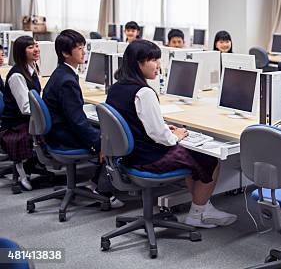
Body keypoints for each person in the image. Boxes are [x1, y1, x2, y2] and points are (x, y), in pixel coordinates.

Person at [106, 39, 237, 228]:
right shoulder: (144, 93)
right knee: (208, 159)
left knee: (192, 155)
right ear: (138, 63)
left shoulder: (116, 88)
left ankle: (201, 206)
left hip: (129, 156)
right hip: (148, 159)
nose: (159, 65)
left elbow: (137, 123)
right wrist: (177, 135)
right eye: (153, 60)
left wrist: (165, 128)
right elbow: (162, 138)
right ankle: (198, 213)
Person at [43, 29, 122, 207]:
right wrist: (100, 142)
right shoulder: (67, 80)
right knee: (113, 138)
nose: (84, 51)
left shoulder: (62, 73)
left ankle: (94, 182)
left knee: (105, 132)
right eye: (79, 48)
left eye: (83, 47)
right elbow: (77, 122)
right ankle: (103, 190)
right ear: (65, 53)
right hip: (63, 136)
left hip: (56, 131)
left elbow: (74, 116)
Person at [0, 36, 41, 190]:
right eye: (30, 47)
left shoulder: (32, 67)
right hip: (16, 125)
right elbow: (25, 108)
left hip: (27, 121)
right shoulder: (17, 75)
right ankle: (22, 169)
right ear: (20, 52)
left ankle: (33, 164)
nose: (36, 49)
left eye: (36, 46)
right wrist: (47, 111)